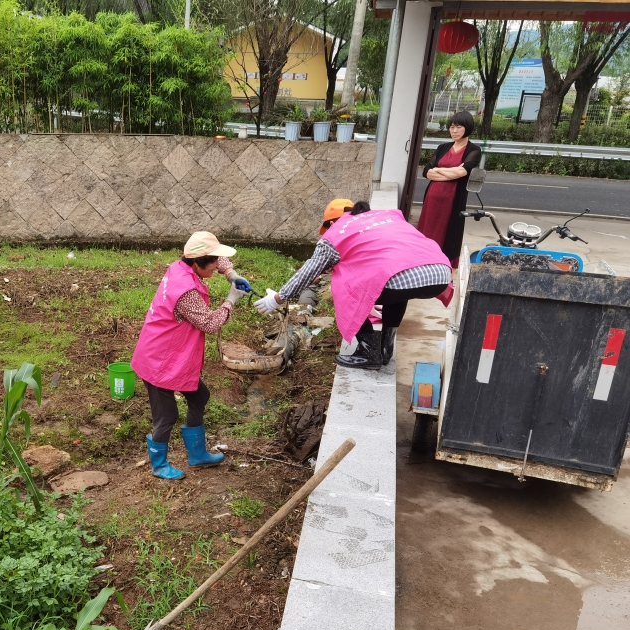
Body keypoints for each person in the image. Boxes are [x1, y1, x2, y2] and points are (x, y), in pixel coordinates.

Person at [254, 200, 452, 370]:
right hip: (440, 273)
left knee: (343, 285)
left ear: (331, 222)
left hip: (406, 276)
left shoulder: (336, 233)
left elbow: (308, 272)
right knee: (398, 284)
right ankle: (385, 348)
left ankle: (369, 352)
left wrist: (277, 298)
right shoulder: (385, 217)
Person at [130, 231, 252, 480]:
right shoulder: (185, 291)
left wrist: (232, 274)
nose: (218, 264)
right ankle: (159, 465)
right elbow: (208, 323)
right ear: (198, 263)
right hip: (159, 361)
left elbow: (218, 259)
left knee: (199, 396)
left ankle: (197, 455)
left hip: (173, 354)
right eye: (215, 262)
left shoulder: (181, 265)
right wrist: (230, 301)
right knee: (166, 415)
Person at [416, 110, 482, 268]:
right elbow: (427, 172)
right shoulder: (443, 147)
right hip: (432, 197)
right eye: (452, 127)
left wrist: (439, 170)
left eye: (458, 127)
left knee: (448, 233)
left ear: (468, 127)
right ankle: (423, 262)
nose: (454, 131)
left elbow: (463, 172)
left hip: (453, 200)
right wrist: (450, 173)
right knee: (428, 229)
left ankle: (443, 266)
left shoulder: (474, 150)